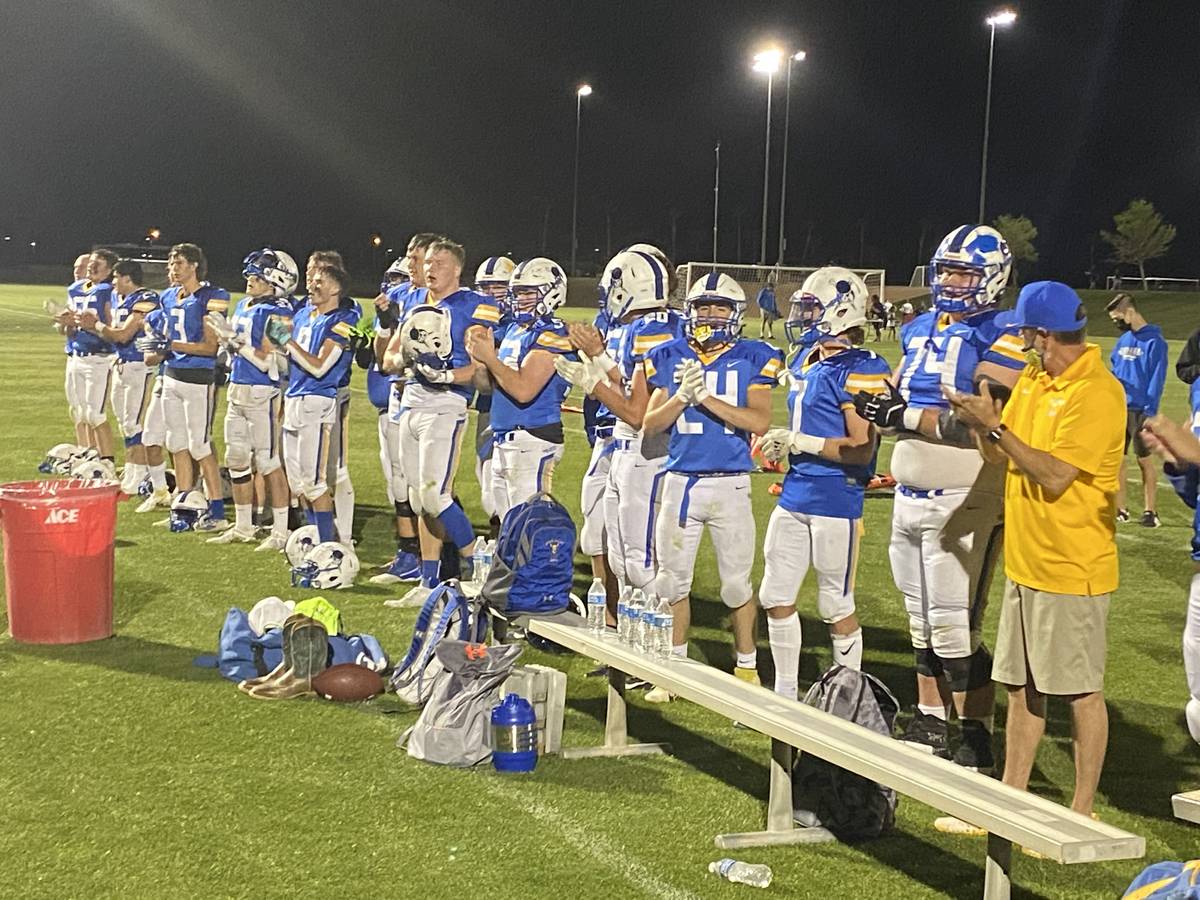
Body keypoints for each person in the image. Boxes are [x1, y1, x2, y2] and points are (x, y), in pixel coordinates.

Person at [947, 280, 1124, 819]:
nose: (1022, 342)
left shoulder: (1097, 393)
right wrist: (982, 425)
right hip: (1026, 564)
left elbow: (1052, 475)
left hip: (1072, 568)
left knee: (1079, 693)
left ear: (1045, 335)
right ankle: (1011, 800)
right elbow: (1004, 458)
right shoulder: (1034, 378)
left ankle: (1082, 810)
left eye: (1026, 332)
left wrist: (995, 429)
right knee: (1021, 689)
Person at [854, 225, 1025, 778]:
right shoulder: (920, 327)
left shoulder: (1005, 333)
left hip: (966, 493)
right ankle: (931, 718)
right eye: (946, 270)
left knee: (954, 626)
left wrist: (901, 417)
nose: (950, 282)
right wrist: (883, 401)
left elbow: (978, 423)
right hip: (908, 491)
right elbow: (899, 394)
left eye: (964, 273)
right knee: (919, 621)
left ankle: (976, 732)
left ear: (993, 278)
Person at [640, 272, 782, 699]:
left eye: (720, 307)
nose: (710, 314)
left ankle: (746, 667)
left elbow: (758, 421)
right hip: (681, 482)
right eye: (704, 306)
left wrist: (705, 399)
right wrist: (682, 396)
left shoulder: (755, 356)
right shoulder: (669, 355)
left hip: (731, 483)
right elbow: (649, 425)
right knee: (672, 582)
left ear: (735, 314)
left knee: (737, 584)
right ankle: (674, 667)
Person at [756, 268, 890, 699]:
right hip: (796, 490)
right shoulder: (808, 358)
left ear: (841, 308)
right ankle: (785, 694)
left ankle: (847, 699)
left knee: (835, 604)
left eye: (811, 307)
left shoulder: (863, 368)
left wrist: (799, 440)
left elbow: (861, 450)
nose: (802, 315)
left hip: (836, 496)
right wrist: (786, 445)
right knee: (774, 594)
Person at [560, 248, 681, 599]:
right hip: (616, 441)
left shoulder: (656, 328)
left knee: (643, 561)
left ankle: (663, 642)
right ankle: (618, 627)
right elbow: (626, 382)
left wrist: (595, 370)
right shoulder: (629, 325)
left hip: (648, 450)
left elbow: (637, 407)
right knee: (615, 551)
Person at [383, 238, 501, 590]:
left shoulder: (475, 306)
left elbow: (482, 371)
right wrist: (404, 360)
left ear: (457, 269)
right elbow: (388, 358)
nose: (430, 268)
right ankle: (428, 581)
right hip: (411, 402)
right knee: (420, 499)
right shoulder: (415, 302)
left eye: (439, 263)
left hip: (446, 404)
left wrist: (445, 374)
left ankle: (477, 565)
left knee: (436, 495)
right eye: (428, 262)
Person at [205, 248, 298, 547]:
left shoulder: (280, 310)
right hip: (238, 388)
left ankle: (281, 531)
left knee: (269, 461)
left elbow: (269, 360)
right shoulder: (245, 305)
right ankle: (244, 526)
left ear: (275, 280)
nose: (249, 280)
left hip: (263, 391)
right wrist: (226, 345)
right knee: (236, 460)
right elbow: (239, 352)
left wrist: (234, 341)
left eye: (257, 276)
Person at [469, 257, 575, 518]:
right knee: (506, 525)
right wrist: (479, 360)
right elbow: (486, 386)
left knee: (527, 527)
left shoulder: (554, 334)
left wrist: (490, 358)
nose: (521, 299)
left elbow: (524, 389)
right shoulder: (515, 330)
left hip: (533, 437)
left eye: (528, 292)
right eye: (517, 293)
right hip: (505, 437)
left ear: (552, 292)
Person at [370, 233, 440, 586]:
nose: (410, 264)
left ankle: (443, 561)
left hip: (431, 401)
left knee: (428, 484)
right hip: (399, 397)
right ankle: (409, 552)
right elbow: (382, 358)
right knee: (400, 480)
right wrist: (385, 323)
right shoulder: (401, 295)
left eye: (418, 258)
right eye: (410, 257)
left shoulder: (438, 301)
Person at [273, 262, 357, 546]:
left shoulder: (341, 322)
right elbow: (292, 362)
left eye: (320, 281)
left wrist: (288, 343)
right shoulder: (305, 316)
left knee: (315, 483)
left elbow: (320, 367)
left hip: (318, 401)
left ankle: (327, 547)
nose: (312, 285)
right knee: (298, 485)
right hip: (296, 398)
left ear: (335, 288)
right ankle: (314, 539)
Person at [154, 243, 231, 530]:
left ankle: (218, 511)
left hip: (198, 378)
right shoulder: (168, 297)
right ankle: (183, 506)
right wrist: (157, 348)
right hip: (171, 374)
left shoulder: (212, 296)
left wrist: (170, 345)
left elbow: (210, 348)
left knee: (200, 444)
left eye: (180, 263)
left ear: (194, 266)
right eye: (172, 263)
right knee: (175, 442)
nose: (173, 268)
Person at [76, 259, 160, 495]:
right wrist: (90, 326)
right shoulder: (117, 297)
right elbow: (111, 332)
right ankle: (133, 469)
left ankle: (140, 472)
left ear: (127, 278)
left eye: (116, 278)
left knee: (134, 423)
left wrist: (97, 325)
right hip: (120, 364)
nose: (113, 283)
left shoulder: (147, 298)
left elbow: (123, 335)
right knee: (125, 423)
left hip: (138, 365)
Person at [1106, 293, 1167, 526]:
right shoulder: (1123, 341)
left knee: (1144, 460)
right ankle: (1121, 509)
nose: (1117, 323)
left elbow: (1157, 377)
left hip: (1142, 409)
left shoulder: (1155, 342)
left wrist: (1150, 410)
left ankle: (1151, 511)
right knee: (1119, 460)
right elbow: (1115, 370)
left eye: (1118, 318)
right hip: (1120, 408)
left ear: (1129, 312)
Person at [60, 249, 119, 474]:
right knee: (78, 411)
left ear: (109, 270)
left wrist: (93, 327)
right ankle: (85, 456)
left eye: (99, 264)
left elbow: (113, 329)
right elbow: (65, 330)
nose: (92, 268)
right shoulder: (75, 289)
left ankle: (108, 462)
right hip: (75, 355)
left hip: (99, 358)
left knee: (95, 413)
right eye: (92, 263)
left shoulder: (108, 291)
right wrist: (65, 323)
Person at [470, 255, 516, 535]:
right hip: (487, 406)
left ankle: (504, 538)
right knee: (485, 476)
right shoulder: (482, 323)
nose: (489, 295)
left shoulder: (515, 326)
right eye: (484, 288)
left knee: (503, 481)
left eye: (497, 287)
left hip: (513, 413)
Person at [756, 276, 778, 340]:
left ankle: (770, 334)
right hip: (764, 309)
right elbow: (758, 300)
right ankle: (761, 334)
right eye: (771, 287)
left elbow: (774, 301)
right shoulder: (763, 291)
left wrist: (775, 309)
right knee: (763, 321)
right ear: (768, 287)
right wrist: (762, 306)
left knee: (770, 322)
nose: (772, 289)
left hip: (770, 310)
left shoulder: (772, 293)